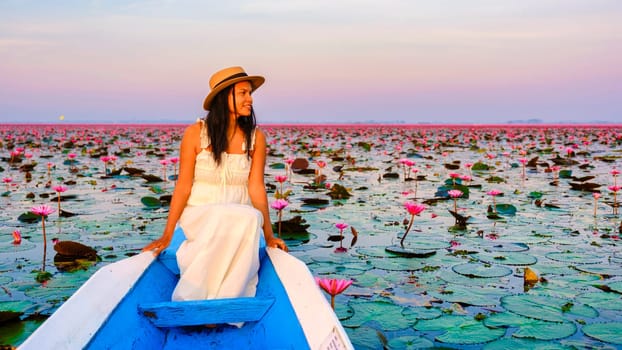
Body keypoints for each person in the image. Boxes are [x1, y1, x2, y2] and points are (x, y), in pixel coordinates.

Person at [143, 66, 287, 305]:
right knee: (237, 217)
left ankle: (225, 301)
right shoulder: (195, 134)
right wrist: (168, 234)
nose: (250, 99)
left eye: (250, 93)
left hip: (240, 223)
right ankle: (193, 299)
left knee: (249, 218)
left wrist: (269, 235)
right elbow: (183, 185)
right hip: (200, 215)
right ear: (224, 97)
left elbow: (256, 188)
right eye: (243, 93)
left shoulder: (256, 138)